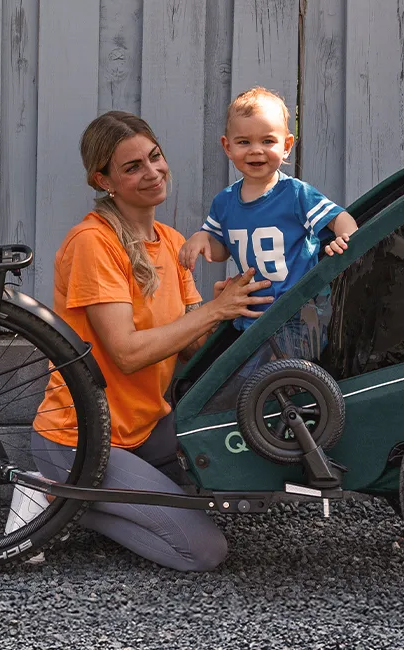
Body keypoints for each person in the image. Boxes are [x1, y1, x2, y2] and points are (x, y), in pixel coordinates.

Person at [30, 110, 275, 572]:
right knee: (202, 551)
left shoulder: (171, 240)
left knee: (222, 487)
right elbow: (126, 353)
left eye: (154, 157)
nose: (152, 172)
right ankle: (52, 497)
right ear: (104, 181)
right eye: (132, 167)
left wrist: (228, 309)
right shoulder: (93, 243)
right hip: (83, 437)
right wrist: (213, 311)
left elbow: (190, 350)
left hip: (148, 432)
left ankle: (83, 497)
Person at [178, 87, 358, 361]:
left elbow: (340, 219)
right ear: (227, 147)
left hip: (297, 314)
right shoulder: (224, 202)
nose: (256, 150)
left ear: (286, 146)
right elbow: (221, 251)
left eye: (268, 141)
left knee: (277, 377)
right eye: (244, 142)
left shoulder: (296, 194)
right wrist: (203, 238)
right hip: (252, 316)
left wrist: (345, 238)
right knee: (245, 377)